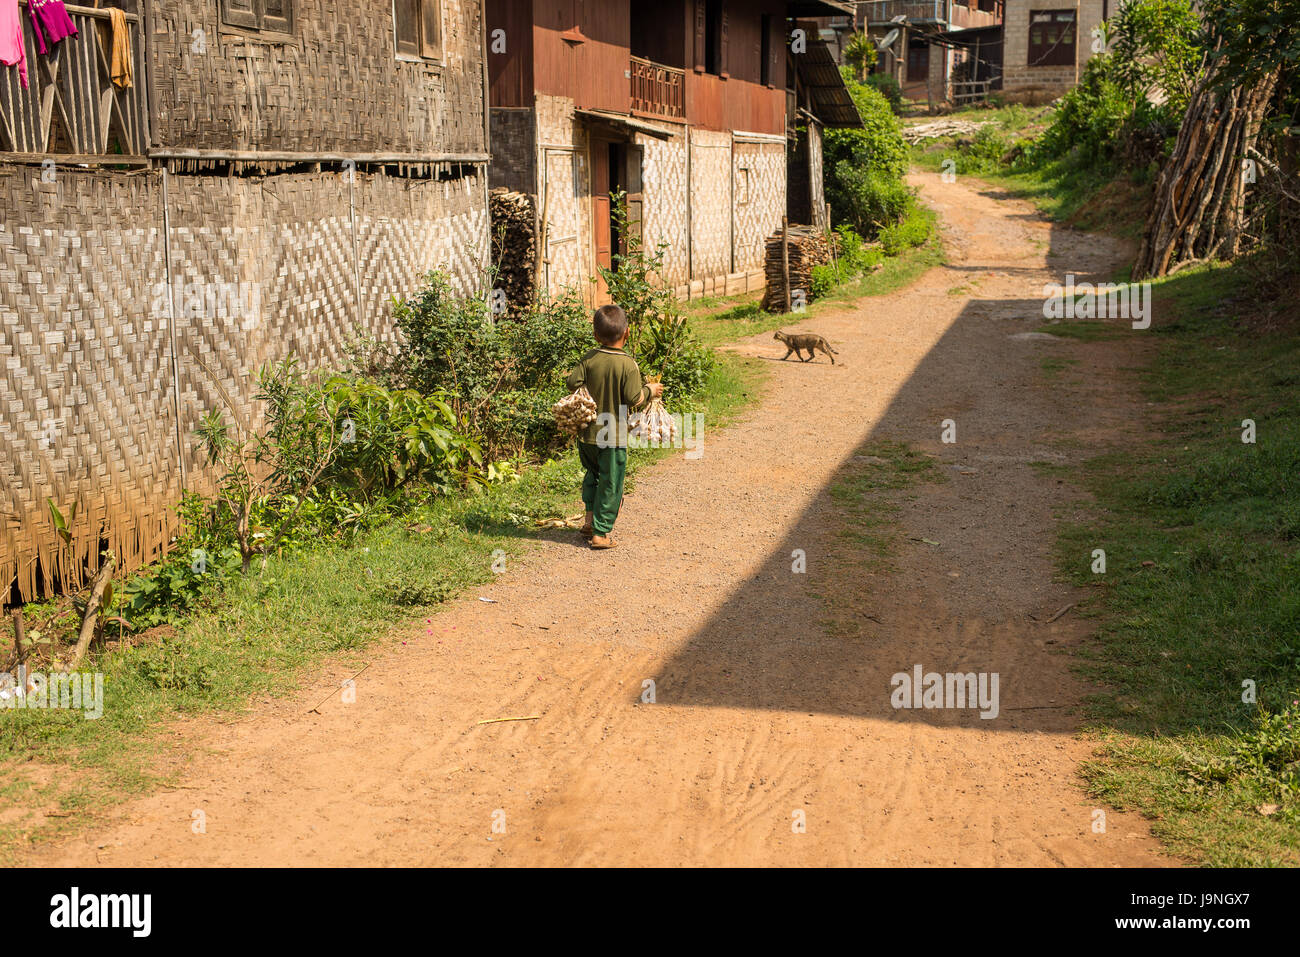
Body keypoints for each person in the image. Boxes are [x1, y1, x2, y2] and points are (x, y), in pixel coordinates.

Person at [565, 304, 663, 549]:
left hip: (587, 434)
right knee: (611, 483)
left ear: (595, 335)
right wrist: (651, 390)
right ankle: (601, 533)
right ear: (627, 333)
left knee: (593, 477)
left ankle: (589, 522)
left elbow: (572, 382)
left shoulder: (589, 358)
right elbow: (635, 399)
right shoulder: (627, 364)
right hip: (613, 436)